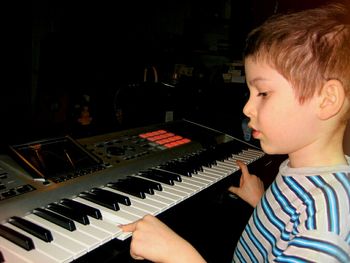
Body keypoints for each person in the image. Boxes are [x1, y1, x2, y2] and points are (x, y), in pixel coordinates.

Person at [121, 2, 350, 262]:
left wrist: (179, 256)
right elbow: (288, 233)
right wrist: (261, 202)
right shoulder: (300, 166)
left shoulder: (326, 229)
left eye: (263, 93)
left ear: (326, 100)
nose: (247, 107)